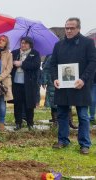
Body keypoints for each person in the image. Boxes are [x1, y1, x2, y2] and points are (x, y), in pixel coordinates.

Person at [50, 17, 96, 155]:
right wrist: (55, 79)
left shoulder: (88, 43)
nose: (69, 30)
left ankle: (84, 144)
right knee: (62, 114)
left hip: (80, 86)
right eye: (67, 28)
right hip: (63, 86)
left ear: (78, 29)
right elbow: (53, 65)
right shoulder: (59, 45)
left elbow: (93, 63)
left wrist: (83, 79)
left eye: (72, 28)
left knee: (83, 116)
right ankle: (63, 140)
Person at [11, 37, 41, 131]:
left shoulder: (35, 53)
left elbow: (35, 65)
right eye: (22, 43)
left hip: (29, 83)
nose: (23, 45)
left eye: (26, 43)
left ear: (30, 44)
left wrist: (22, 63)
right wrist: (13, 63)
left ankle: (30, 123)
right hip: (16, 82)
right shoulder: (15, 52)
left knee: (29, 104)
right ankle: (18, 123)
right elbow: (9, 64)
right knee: (17, 104)